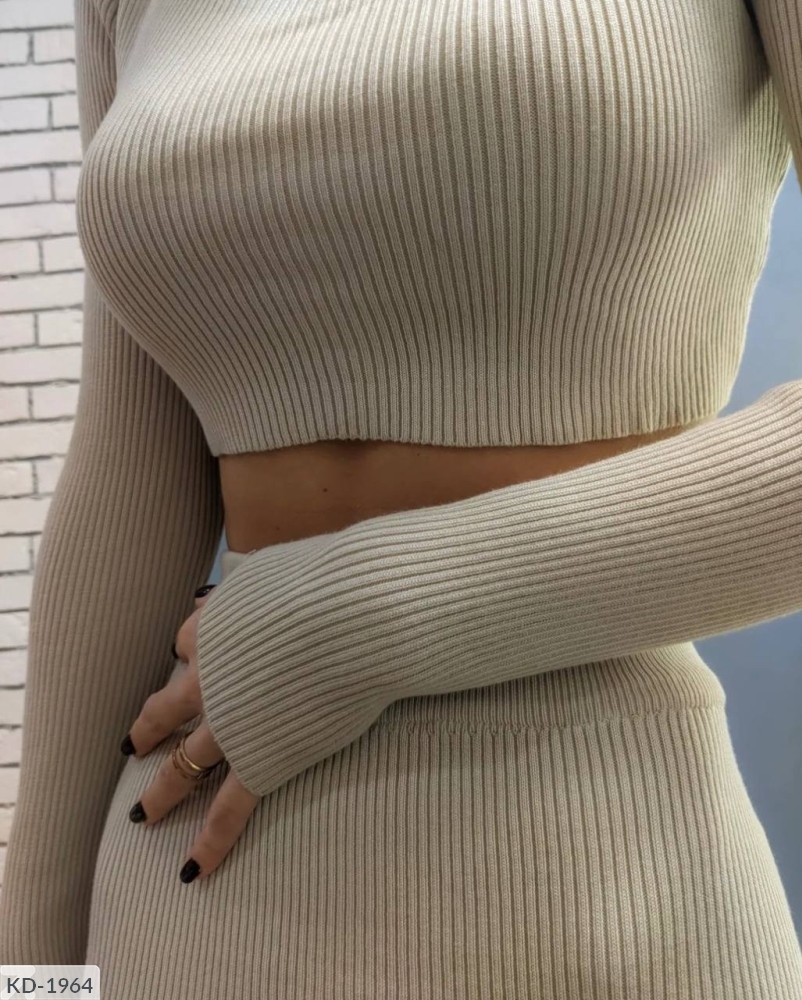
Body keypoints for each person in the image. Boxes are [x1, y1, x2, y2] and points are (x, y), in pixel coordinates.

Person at [1, 0, 801, 995]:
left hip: (600, 881)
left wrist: (365, 613)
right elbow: (127, 468)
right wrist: (29, 973)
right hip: (177, 896)